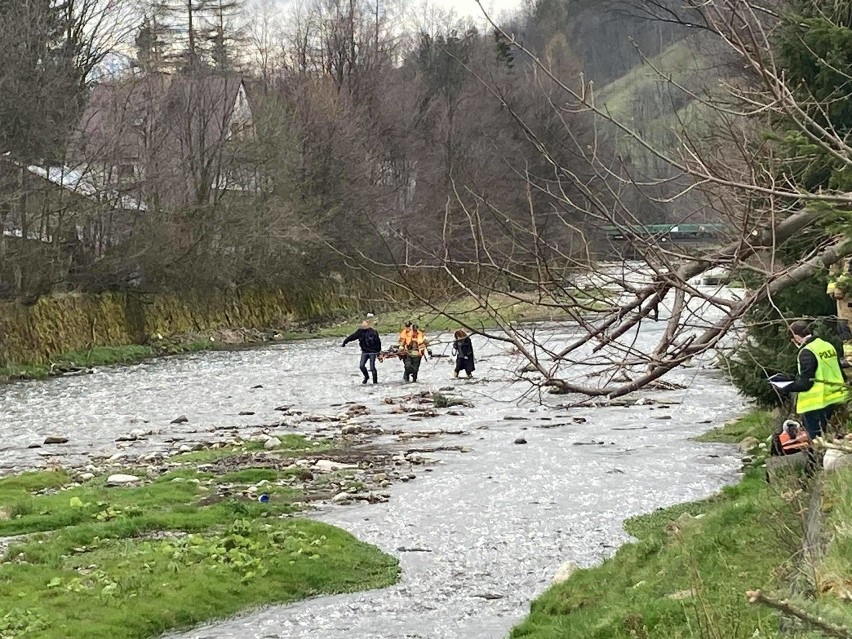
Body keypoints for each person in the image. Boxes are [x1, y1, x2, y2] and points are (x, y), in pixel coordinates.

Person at [778, 320, 848, 470]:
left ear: (796, 337)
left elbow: (806, 383)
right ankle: (825, 465)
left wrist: (786, 387)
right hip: (835, 396)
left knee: (816, 440)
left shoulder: (806, 352)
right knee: (830, 436)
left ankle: (815, 469)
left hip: (816, 401)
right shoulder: (826, 345)